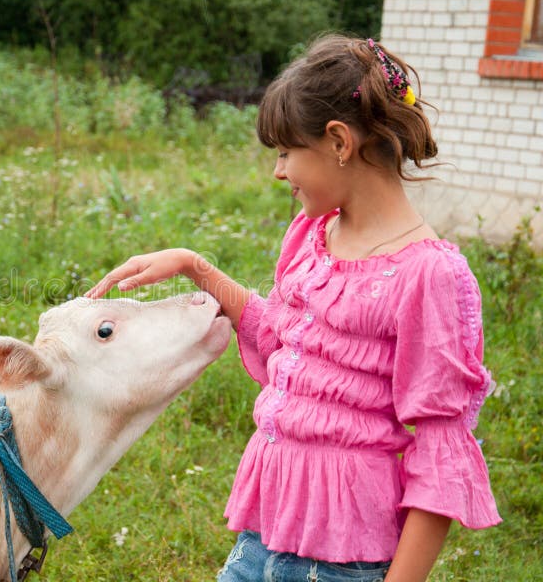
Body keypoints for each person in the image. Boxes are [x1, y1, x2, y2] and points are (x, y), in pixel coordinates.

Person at [85, 34, 501, 582]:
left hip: (342, 562)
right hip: (264, 534)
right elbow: (286, 341)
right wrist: (195, 266)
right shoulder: (312, 235)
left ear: (337, 142)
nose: (278, 172)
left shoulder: (430, 276)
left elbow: (439, 451)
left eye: (285, 152)